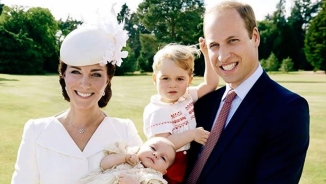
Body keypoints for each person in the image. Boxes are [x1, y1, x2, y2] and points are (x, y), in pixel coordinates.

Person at [11, 7, 143, 184]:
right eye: (76, 72)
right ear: (63, 75)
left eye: (96, 74)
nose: (84, 83)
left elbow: (148, 176)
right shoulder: (36, 131)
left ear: (107, 80)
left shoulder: (125, 130)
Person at [184, 1, 310, 184]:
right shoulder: (203, 104)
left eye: (232, 41)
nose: (223, 56)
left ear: (255, 36)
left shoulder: (287, 110)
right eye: (214, 45)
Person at [143, 43, 219, 184]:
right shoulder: (157, 110)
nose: (173, 84)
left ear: (189, 80)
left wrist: (207, 56)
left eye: (180, 79)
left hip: (188, 158)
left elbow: (211, 84)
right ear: (155, 79)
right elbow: (164, 144)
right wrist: (192, 134)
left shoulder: (186, 96)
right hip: (168, 164)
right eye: (165, 78)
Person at [77, 137, 176, 184]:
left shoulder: (154, 178)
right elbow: (104, 164)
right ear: (142, 147)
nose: (156, 154)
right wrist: (124, 157)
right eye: (153, 148)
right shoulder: (128, 152)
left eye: (163, 158)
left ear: (163, 171)